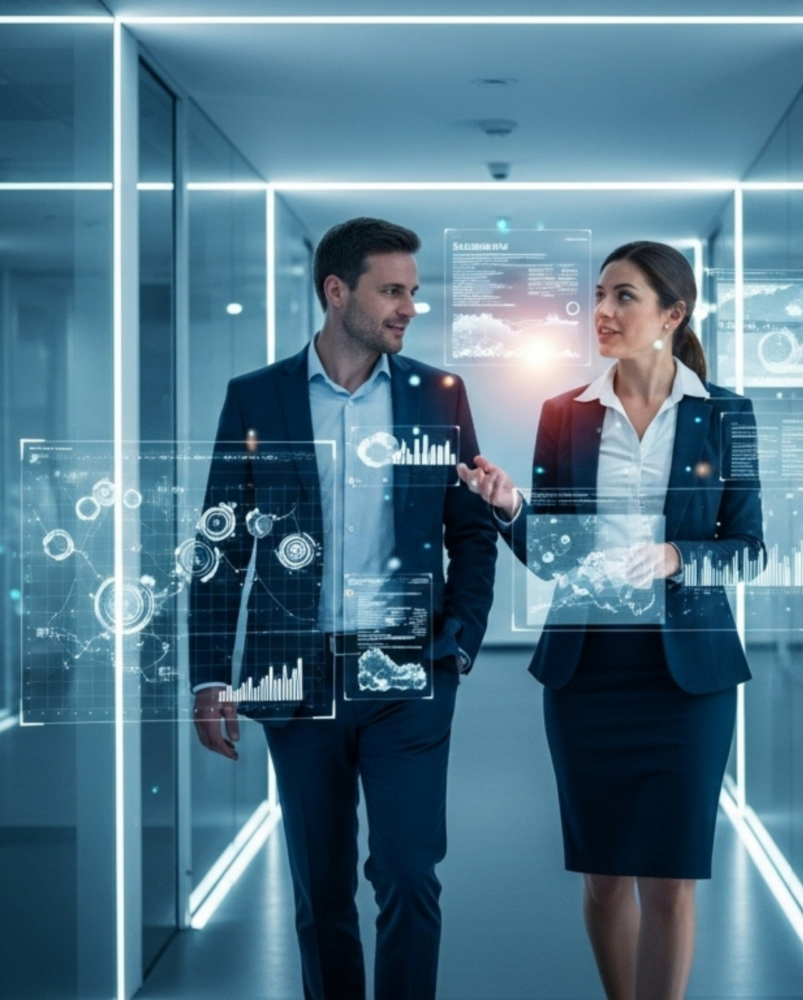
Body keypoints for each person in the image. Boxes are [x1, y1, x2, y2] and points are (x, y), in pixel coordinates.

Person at [190, 217, 498, 1000]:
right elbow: (220, 546)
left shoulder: (440, 396)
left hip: (408, 672)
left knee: (407, 873)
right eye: (392, 291)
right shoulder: (257, 397)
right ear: (337, 291)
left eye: (413, 293)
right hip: (297, 677)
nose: (408, 308)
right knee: (321, 890)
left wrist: (458, 643)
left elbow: (472, 530)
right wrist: (208, 678)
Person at [458, 241, 764, 1000]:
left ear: (673, 313)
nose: (602, 312)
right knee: (602, 880)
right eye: (598, 295)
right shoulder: (563, 415)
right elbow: (554, 556)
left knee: (670, 884)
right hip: (588, 673)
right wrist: (509, 509)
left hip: (687, 682)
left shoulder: (727, 415)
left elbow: (750, 550)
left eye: (624, 297)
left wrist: (675, 556)